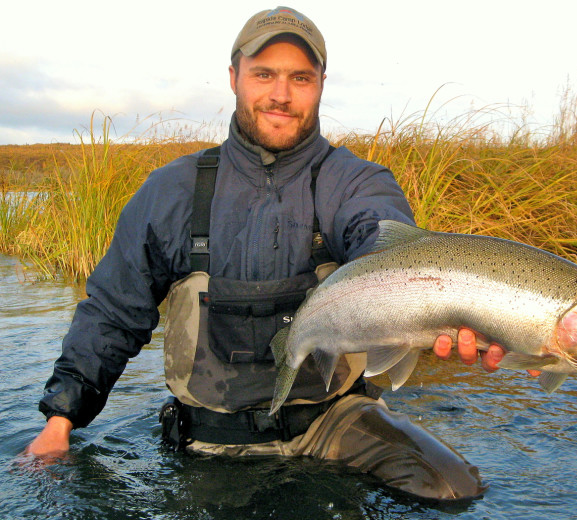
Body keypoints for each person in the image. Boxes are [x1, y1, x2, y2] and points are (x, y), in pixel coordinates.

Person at [26, 6, 536, 500]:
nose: (280, 95)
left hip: (332, 420)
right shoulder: (170, 192)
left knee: (454, 488)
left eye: (300, 78)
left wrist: (500, 322)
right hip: (208, 440)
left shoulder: (356, 182)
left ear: (320, 85)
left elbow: (383, 238)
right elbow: (113, 314)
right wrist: (60, 421)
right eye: (264, 74)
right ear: (233, 77)